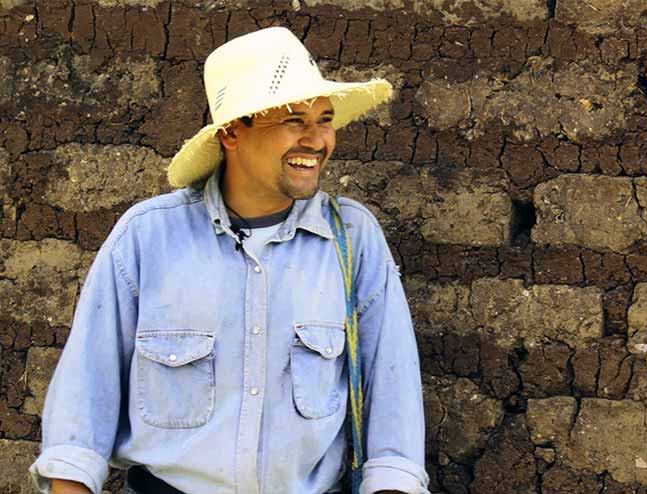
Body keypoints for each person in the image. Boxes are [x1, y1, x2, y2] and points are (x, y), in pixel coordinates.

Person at [29, 27, 429, 494]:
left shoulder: (352, 240)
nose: (317, 140)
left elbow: (393, 409)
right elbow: (81, 409)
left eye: (324, 120)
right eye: (293, 121)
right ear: (232, 133)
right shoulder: (148, 236)